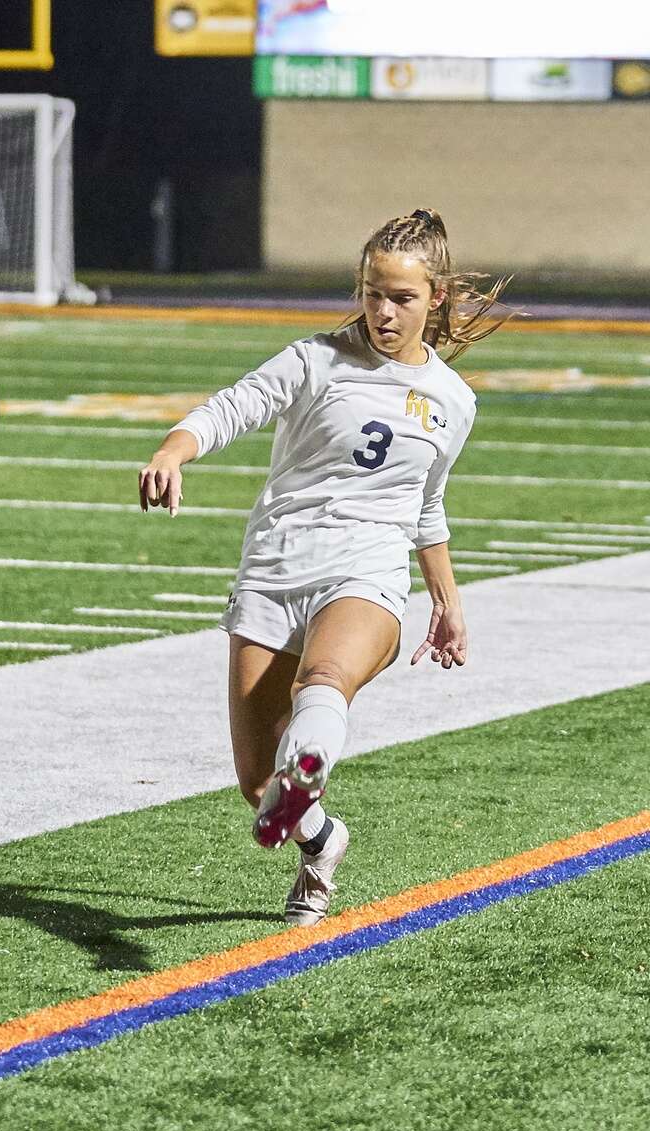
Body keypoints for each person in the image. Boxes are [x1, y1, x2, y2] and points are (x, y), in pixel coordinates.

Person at [138, 208, 512, 927]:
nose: (382, 310)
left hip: (366, 569)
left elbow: (424, 506)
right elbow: (229, 409)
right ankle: (320, 835)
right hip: (276, 567)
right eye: (373, 292)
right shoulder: (314, 361)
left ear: (435, 297)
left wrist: (447, 599)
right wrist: (171, 451)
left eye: (401, 297)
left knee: (325, 679)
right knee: (255, 782)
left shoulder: (454, 401)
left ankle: (307, 769)